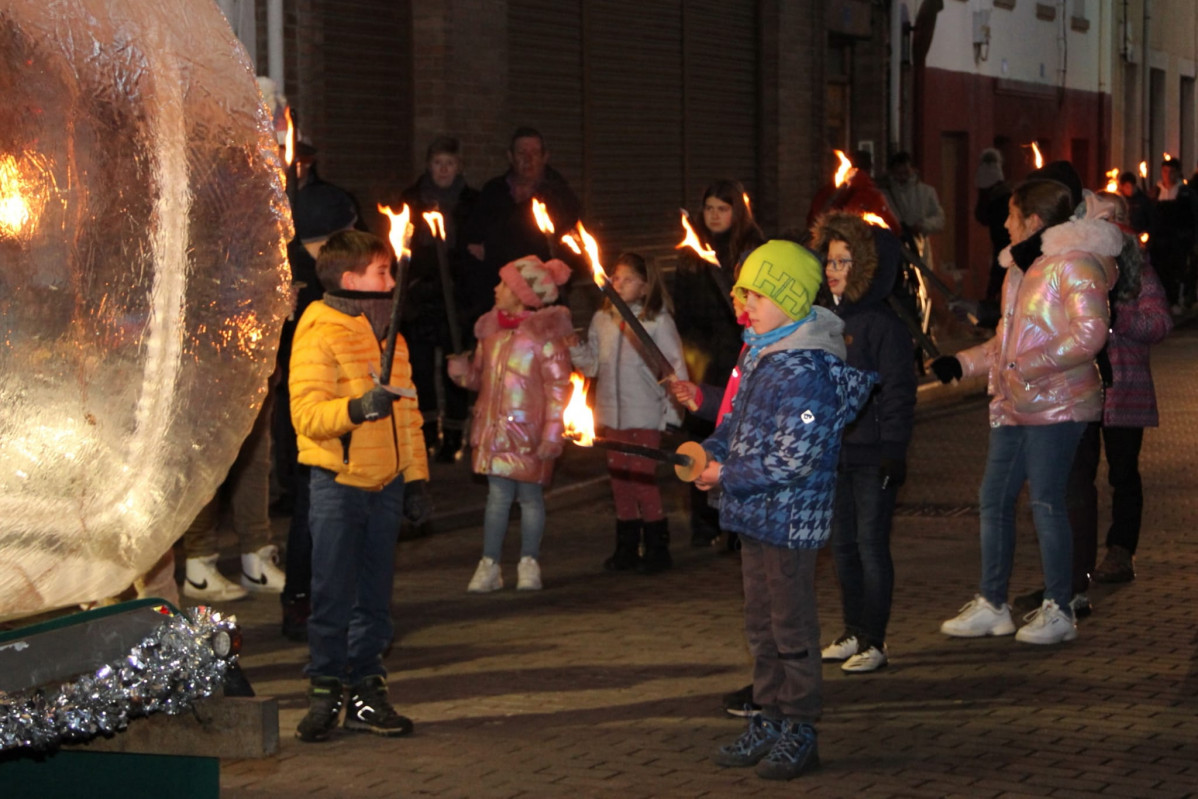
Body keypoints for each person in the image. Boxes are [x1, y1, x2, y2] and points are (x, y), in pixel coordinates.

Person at [697, 239, 875, 781]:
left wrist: (727, 474)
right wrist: (712, 450)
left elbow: (795, 458)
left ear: (790, 299)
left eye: (755, 293)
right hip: (754, 515)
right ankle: (769, 716)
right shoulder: (763, 353)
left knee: (791, 628)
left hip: (790, 521)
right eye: (742, 292)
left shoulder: (805, 370)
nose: (743, 304)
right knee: (761, 626)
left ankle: (800, 726)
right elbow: (737, 426)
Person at [932, 178, 1121, 645]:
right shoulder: (1022, 269)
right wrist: (963, 363)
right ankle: (993, 603)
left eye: (1012, 215)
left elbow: (1090, 335)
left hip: (1060, 404)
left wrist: (1026, 366)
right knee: (994, 498)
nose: (1005, 223)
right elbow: (1006, 341)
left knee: (1046, 501)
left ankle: (1060, 607)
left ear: (1033, 221)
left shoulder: (1075, 264)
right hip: (1015, 403)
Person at [289, 229, 429, 742]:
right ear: (351, 280)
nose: (391, 280)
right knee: (332, 595)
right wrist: (357, 409)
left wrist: (414, 480)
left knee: (373, 598)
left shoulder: (390, 332)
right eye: (382, 272)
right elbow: (306, 412)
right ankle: (325, 691)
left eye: (392, 271)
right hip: (339, 483)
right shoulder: (318, 328)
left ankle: (368, 695)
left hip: (386, 485)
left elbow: (408, 415)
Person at [811, 213, 918, 673]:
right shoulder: (820, 320)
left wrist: (894, 447)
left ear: (867, 267)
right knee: (844, 546)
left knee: (871, 544)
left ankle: (875, 639)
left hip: (873, 454)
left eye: (844, 260)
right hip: (835, 454)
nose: (833, 269)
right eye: (830, 260)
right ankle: (853, 630)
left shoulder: (881, 324)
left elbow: (898, 390)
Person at [447, 255, 573, 593]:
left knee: (530, 498)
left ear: (520, 293)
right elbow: (480, 379)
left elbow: (559, 387)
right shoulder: (490, 332)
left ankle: (528, 561)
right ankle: (489, 564)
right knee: (497, 498)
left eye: (503, 283)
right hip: (494, 432)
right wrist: (463, 373)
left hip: (528, 434)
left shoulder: (543, 337)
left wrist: (551, 433)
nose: (495, 288)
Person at [1068, 192, 1173, 593]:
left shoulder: (1138, 270)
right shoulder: (1079, 266)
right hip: (1083, 389)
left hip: (1126, 391)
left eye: (1116, 217)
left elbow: (1160, 324)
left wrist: (1119, 315)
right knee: (1080, 475)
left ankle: (1120, 550)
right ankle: (1079, 558)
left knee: (1123, 473)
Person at [278, 178, 361, 641]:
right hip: (310, 411)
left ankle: (334, 598)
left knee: (337, 507)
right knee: (313, 508)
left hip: (344, 405)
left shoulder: (339, 274)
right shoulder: (292, 276)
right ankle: (301, 599)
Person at [569, 252, 688, 574]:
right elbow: (592, 364)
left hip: (645, 412)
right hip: (612, 413)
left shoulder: (657, 321)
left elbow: (674, 366)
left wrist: (672, 411)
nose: (618, 283)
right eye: (615, 276)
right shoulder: (602, 320)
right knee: (620, 478)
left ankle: (657, 545)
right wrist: (575, 349)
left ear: (645, 286)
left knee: (642, 477)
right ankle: (626, 545)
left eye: (627, 278)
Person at [672, 179, 764, 549]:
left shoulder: (750, 250)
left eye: (722, 209)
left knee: (737, 434)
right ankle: (704, 519)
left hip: (738, 352)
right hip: (703, 355)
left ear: (737, 212)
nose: (714, 215)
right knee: (699, 435)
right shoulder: (692, 250)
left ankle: (737, 524)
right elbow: (683, 305)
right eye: (709, 208)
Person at [398, 136, 479, 463]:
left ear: (458, 166)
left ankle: (454, 436)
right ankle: (427, 431)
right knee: (418, 367)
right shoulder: (412, 199)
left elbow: (475, 246)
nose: (443, 169)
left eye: (449, 163)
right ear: (428, 165)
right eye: (437, 163)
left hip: (457, 296)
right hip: (421, 294)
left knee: (455, 365)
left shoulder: (471, 201)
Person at [462, 127, 581, 329]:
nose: (528, 159)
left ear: (545, 156)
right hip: (500, 297)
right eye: (521, 153)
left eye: (534, 153)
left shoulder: (560, 197)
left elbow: (567, 250)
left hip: (541, 300)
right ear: (510, 156)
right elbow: (474, 242)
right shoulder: (494, 191)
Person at [181, 396, 284, 601]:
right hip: (207, 374)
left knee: (256, 454)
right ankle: (199, 561)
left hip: (254, 368)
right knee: (205, 452)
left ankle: (256, 557)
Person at [1148, 157, 1197, 313]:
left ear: (1177, 173)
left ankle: (1175, 299)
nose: (1167, 175)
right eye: (1165, 171)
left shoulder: (1186, 192)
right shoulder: (1155, 192)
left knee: (1176, 269)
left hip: (1178, 238)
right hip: (1158, 239)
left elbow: (1194, 215)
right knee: (1158, 270)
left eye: (1171, 171)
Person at [880, 151, 945, 266]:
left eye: (905, 172)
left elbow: (939, 219)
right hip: (893, 245)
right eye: (898, 173)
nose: (902, 177)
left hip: (919, 245)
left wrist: (923, 225)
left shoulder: (926, 192)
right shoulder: (884, 194)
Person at [974, 148, 1012, 326]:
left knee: (999, 282)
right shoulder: (1003, 193)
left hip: (1003, 246)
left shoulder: (999, 196)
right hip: (1003, 245)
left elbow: (982, 216)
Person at [1117, 171, 1152, 235]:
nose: (1130, 189)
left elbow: (1150, 219)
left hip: (1140, 233)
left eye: (1132, 186)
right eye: (1127, 187)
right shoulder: (1120, 200)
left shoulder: (1143, 200)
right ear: (1122, 187)